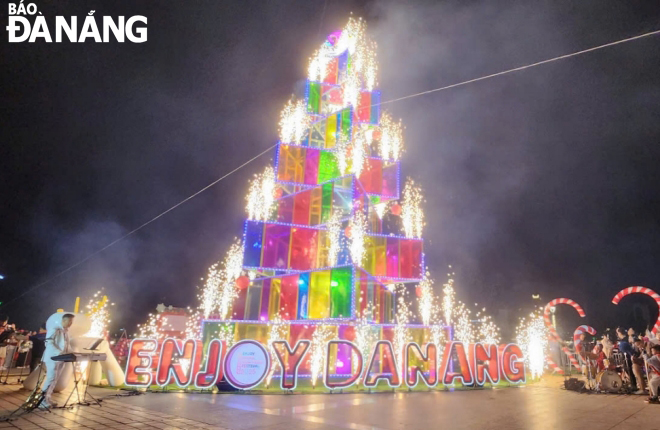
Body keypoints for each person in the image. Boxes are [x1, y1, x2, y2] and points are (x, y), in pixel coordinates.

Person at [41, 313, 74, 408]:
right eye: (69, 321)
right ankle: (42, 400)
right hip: (53, 357)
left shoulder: (66, 331)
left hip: (62, 358)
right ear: (63, 320)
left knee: (55, 379)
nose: (70, 323)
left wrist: (71, 353)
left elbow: (67, 344)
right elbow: (48, 342)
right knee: (51, 378)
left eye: (72, 321)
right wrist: (58, 352)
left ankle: (47, 398)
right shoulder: (54, 329)